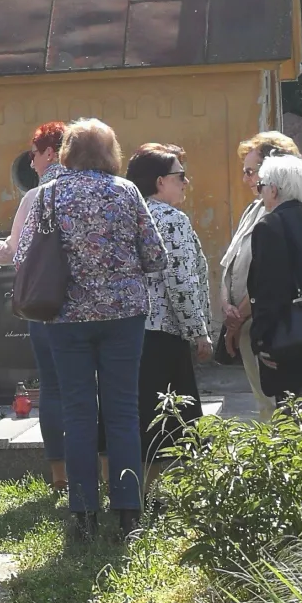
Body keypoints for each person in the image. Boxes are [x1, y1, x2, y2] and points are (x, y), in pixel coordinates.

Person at [14, 120, 165, 539]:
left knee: (79, 412)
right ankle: (129, 511)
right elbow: (155, 256)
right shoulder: (127, 192)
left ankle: (83, 514)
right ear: (110, 153)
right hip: (124, 317)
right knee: (122, 410)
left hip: (67, 317)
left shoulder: (48, 194)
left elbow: (24, 254)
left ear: (66, 153)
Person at [0, 122, 68, 490]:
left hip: (47, 308)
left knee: (55, 389)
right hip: (91, 307)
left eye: (33, 154)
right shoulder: (99, 190)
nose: (31, 163)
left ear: (49, 153)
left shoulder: (37, 197)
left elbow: (9, 253)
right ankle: (100, 473)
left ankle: (60, 476)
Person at [125, 144, 211, 490]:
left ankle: (138, 493)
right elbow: (180, 281)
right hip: (164, 333)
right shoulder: (171, 220)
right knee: (172, 419)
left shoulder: (129, 213)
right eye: (180, 176)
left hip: (130, 329)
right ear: (160, 181)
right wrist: (198, 332)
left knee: (140, 413)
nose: (186, 182)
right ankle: (172, 497)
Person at [220, 132, 302, 420]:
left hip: (265, 323)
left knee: (277, 404)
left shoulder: (280, 218)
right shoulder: (253, 210)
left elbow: (268, 278)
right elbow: (232, 263)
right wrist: (226, 307)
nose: (246, 179)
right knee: (263, 400)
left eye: (250, 171)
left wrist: (238, 316)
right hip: (243, 323)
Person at [248, 153, 302, 403]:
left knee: (296, 422)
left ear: (274, 190)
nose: (260, 193)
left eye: (261, 186)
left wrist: (260, 340)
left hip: (292, 341)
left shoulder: (269, 226)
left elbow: (269, 289)